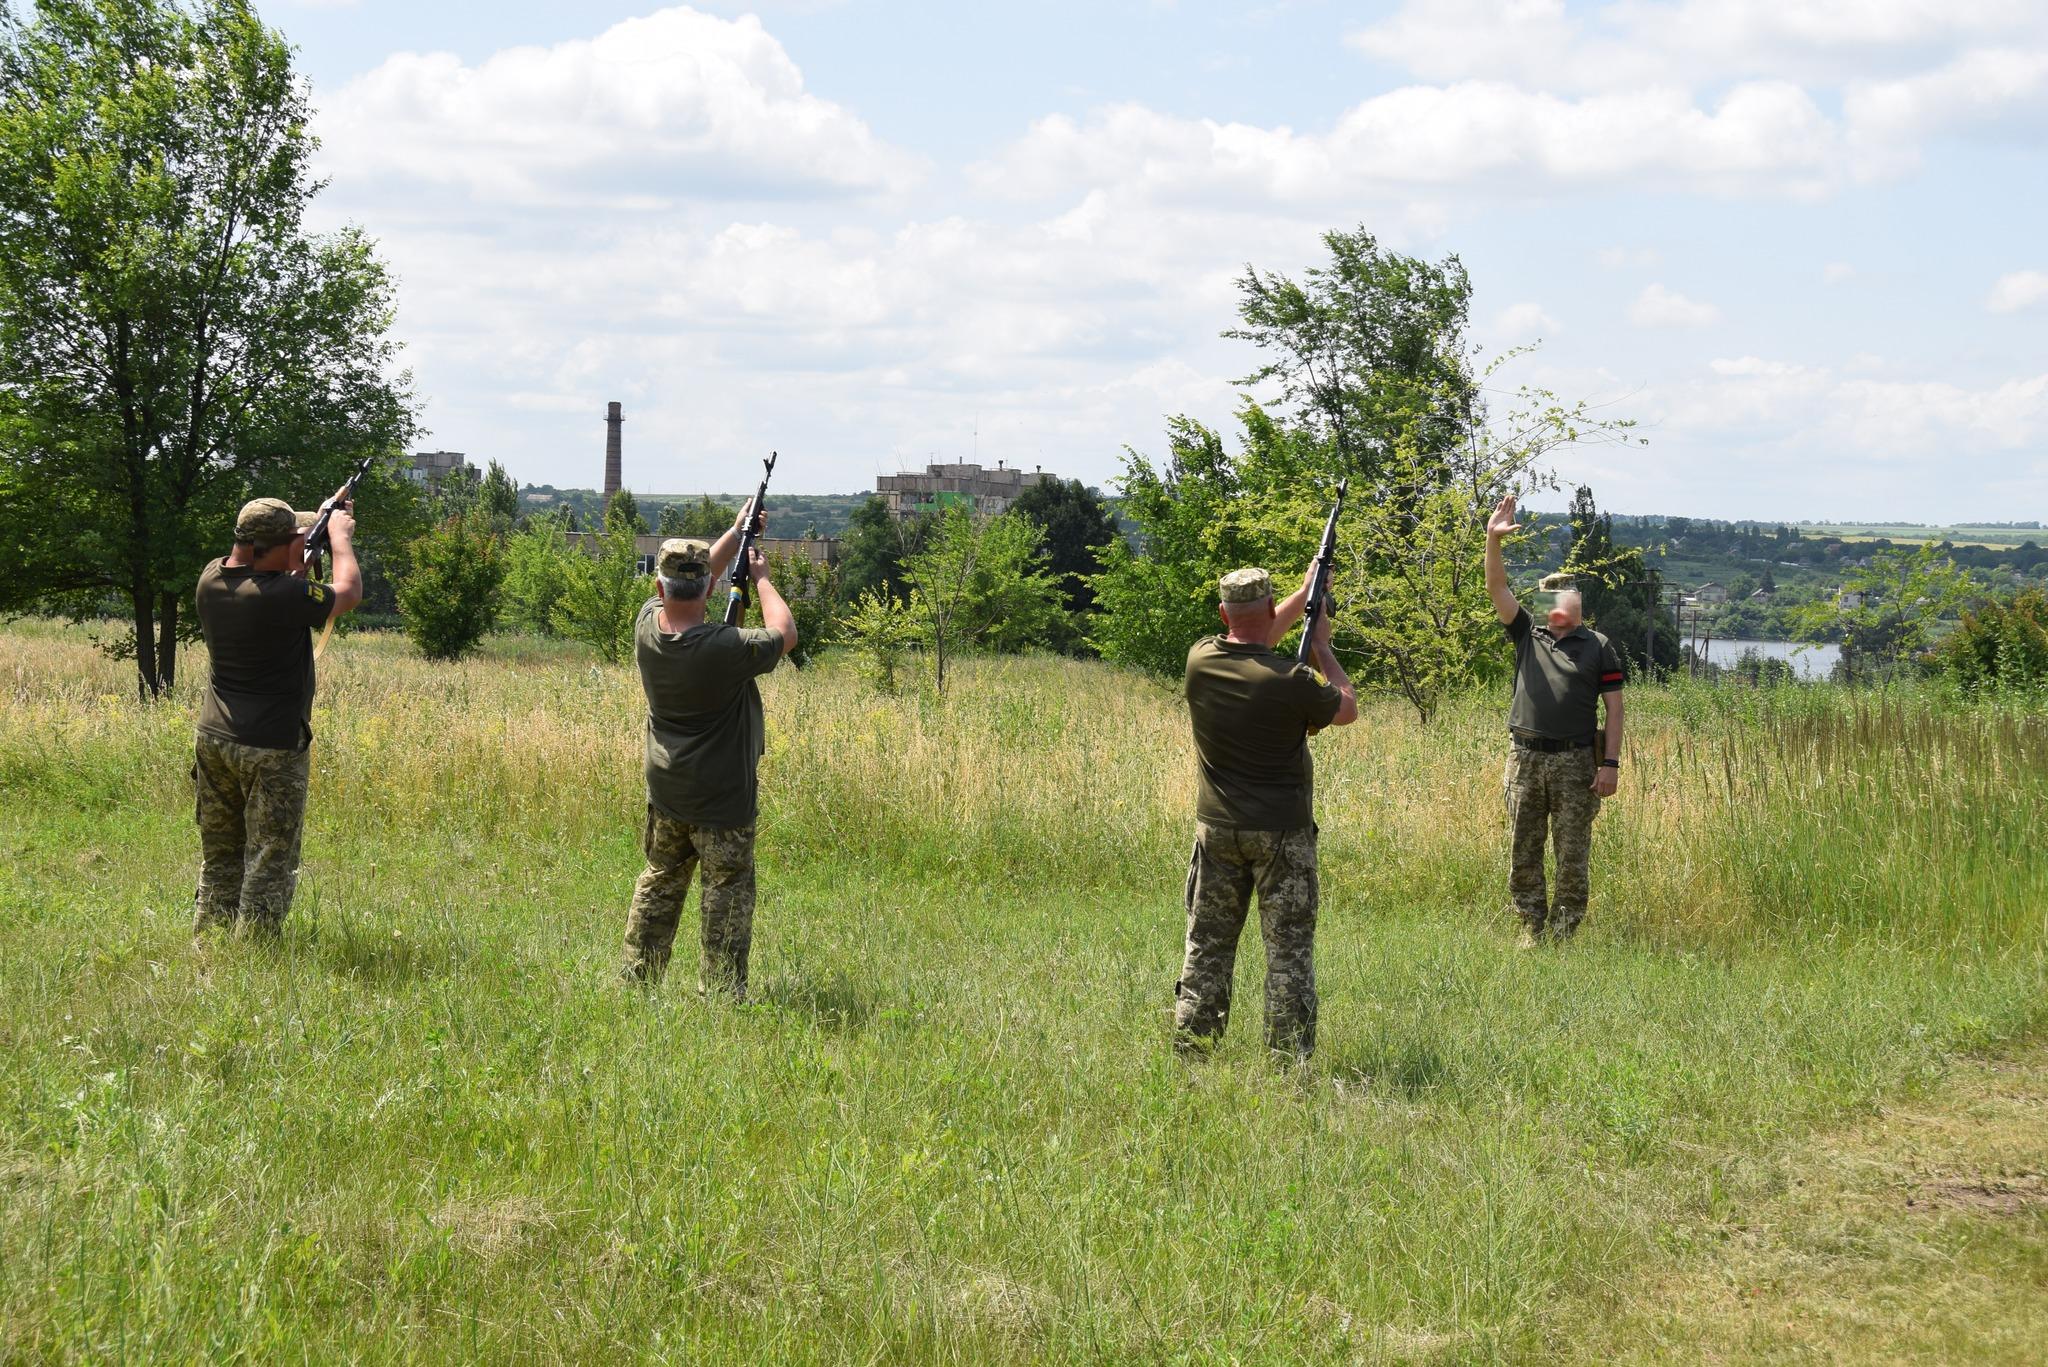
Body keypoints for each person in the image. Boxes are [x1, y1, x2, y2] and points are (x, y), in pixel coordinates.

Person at [1175, 565, 1359, 1060]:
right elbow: (1346, 708)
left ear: (1222, 613)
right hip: (1281, 834)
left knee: (1208, 948)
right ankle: (1287, 1060)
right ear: (1267, 609)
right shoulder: (1292, 680)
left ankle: (1194, 1050)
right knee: (1288, 955)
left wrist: (1305, 593)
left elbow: (1254, 639)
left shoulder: (1201, 660)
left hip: (1217, 830)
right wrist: (1321, 645)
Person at [620, 503, 796, 996]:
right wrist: (761, 578)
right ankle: (720, 994)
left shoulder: (647, 626)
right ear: (711, 589)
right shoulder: (724, 647)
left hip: (668, 791)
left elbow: (701, 572)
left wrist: (738, 531)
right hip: (722, 801)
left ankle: (637, 980)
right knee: (726, 891)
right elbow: (785, 634)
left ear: (659, 588)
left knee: (660, 881)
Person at [192, 488, 362, 937]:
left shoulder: (211, 579)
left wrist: (297, 555)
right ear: (270, 547)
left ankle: (210, 939)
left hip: (214, 740)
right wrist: (340, 537)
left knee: (222, 851)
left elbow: (260, 575)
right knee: (271, 854)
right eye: (293, 536)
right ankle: (254, 951)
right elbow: (348, 592)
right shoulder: (283, 594)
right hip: (271, 745)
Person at [1483, 494, 1625, 945]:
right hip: (1525, 758)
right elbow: (1497, 589)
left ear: (1578, 601)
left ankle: (1564, 933)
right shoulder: (1528, 632)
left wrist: (1610, 765)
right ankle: (1530, 926)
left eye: (1568, 595)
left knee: (1571, 853)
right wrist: (1493, 541)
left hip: (1575, 763)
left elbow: (1615, 709)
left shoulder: (1598, 645)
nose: (1560, 603)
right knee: (1523, 849)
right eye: (1553, 596)